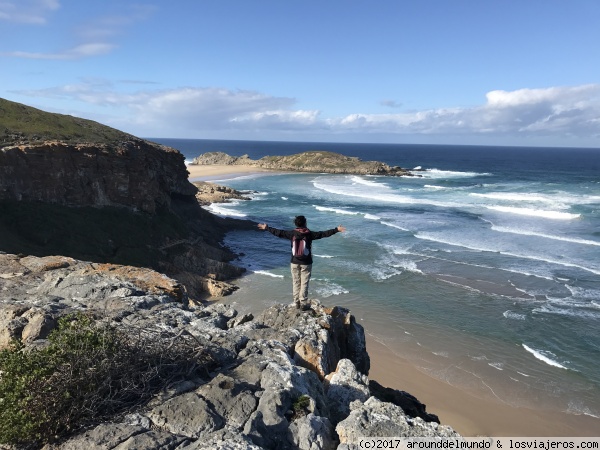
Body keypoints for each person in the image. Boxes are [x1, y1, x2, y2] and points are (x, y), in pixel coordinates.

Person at [257, 215, 346, 310]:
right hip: (306, 263)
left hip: (294, 262)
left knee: (296, 282)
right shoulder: (309, 234)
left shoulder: (292, 234)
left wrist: (266, 228)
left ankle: (296, 302)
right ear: (305, 223)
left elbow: (278, 232)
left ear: (295, 224)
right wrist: (336, 229)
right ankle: (303, 303)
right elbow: (323, 234)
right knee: (304, 283)